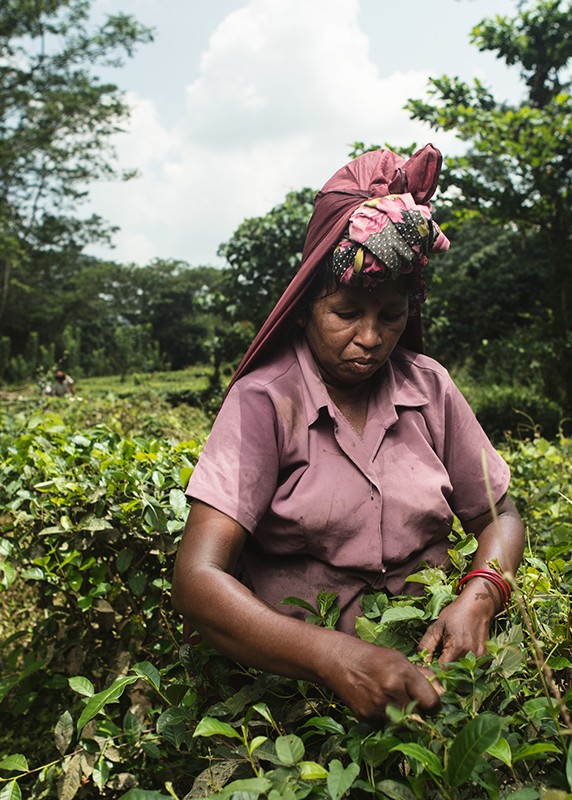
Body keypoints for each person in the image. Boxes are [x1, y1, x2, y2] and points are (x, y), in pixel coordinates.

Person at [171, 145, 525, 723]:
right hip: (298, 697)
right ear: (308, 304)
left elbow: (500, 516)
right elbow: (197, 579)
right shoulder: (265, 401)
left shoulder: (429, 388)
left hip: (437, 675)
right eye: (346, 313)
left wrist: (479, 597)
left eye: (390, 316)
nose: (370, 338)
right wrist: (335, 657)